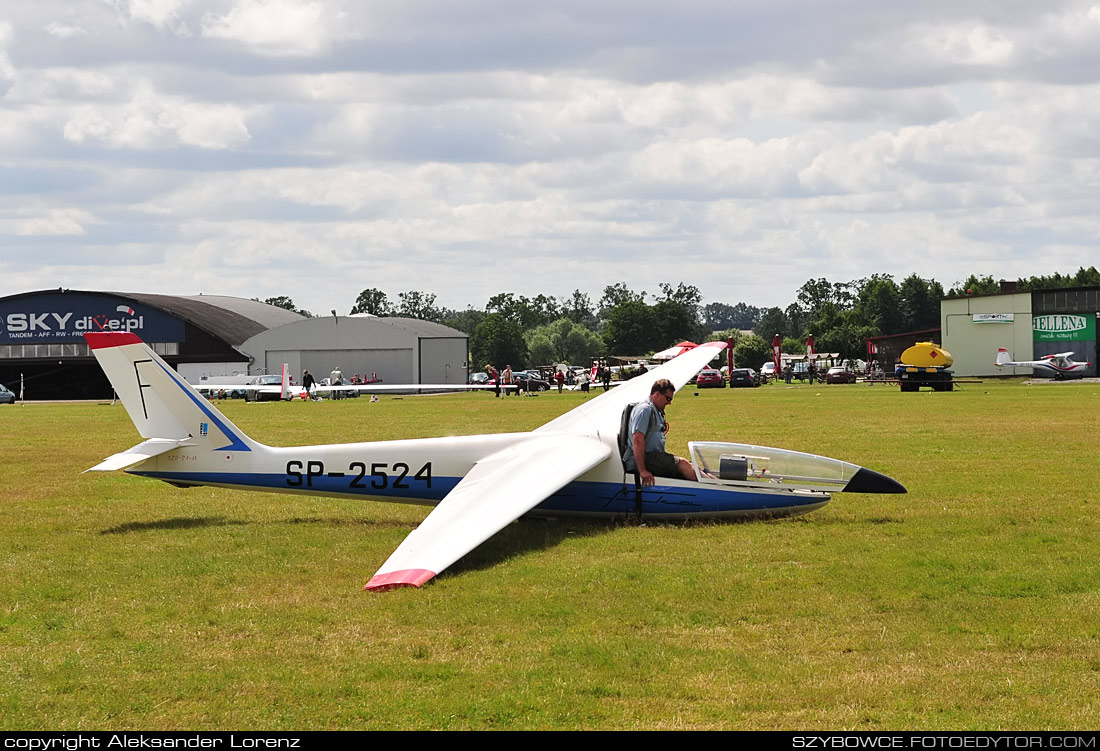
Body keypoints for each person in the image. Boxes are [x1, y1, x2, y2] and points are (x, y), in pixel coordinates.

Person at [623, 378, 699, 486]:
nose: (669, 403)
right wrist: (642, 470)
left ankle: (715, 482)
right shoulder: (645, 409)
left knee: (692, 467)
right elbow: (637, 440)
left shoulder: (656, 410)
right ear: (657, 394)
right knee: (683, 464)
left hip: (653, 457)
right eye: (668, 399)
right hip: (644, 458)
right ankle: (714, 490)